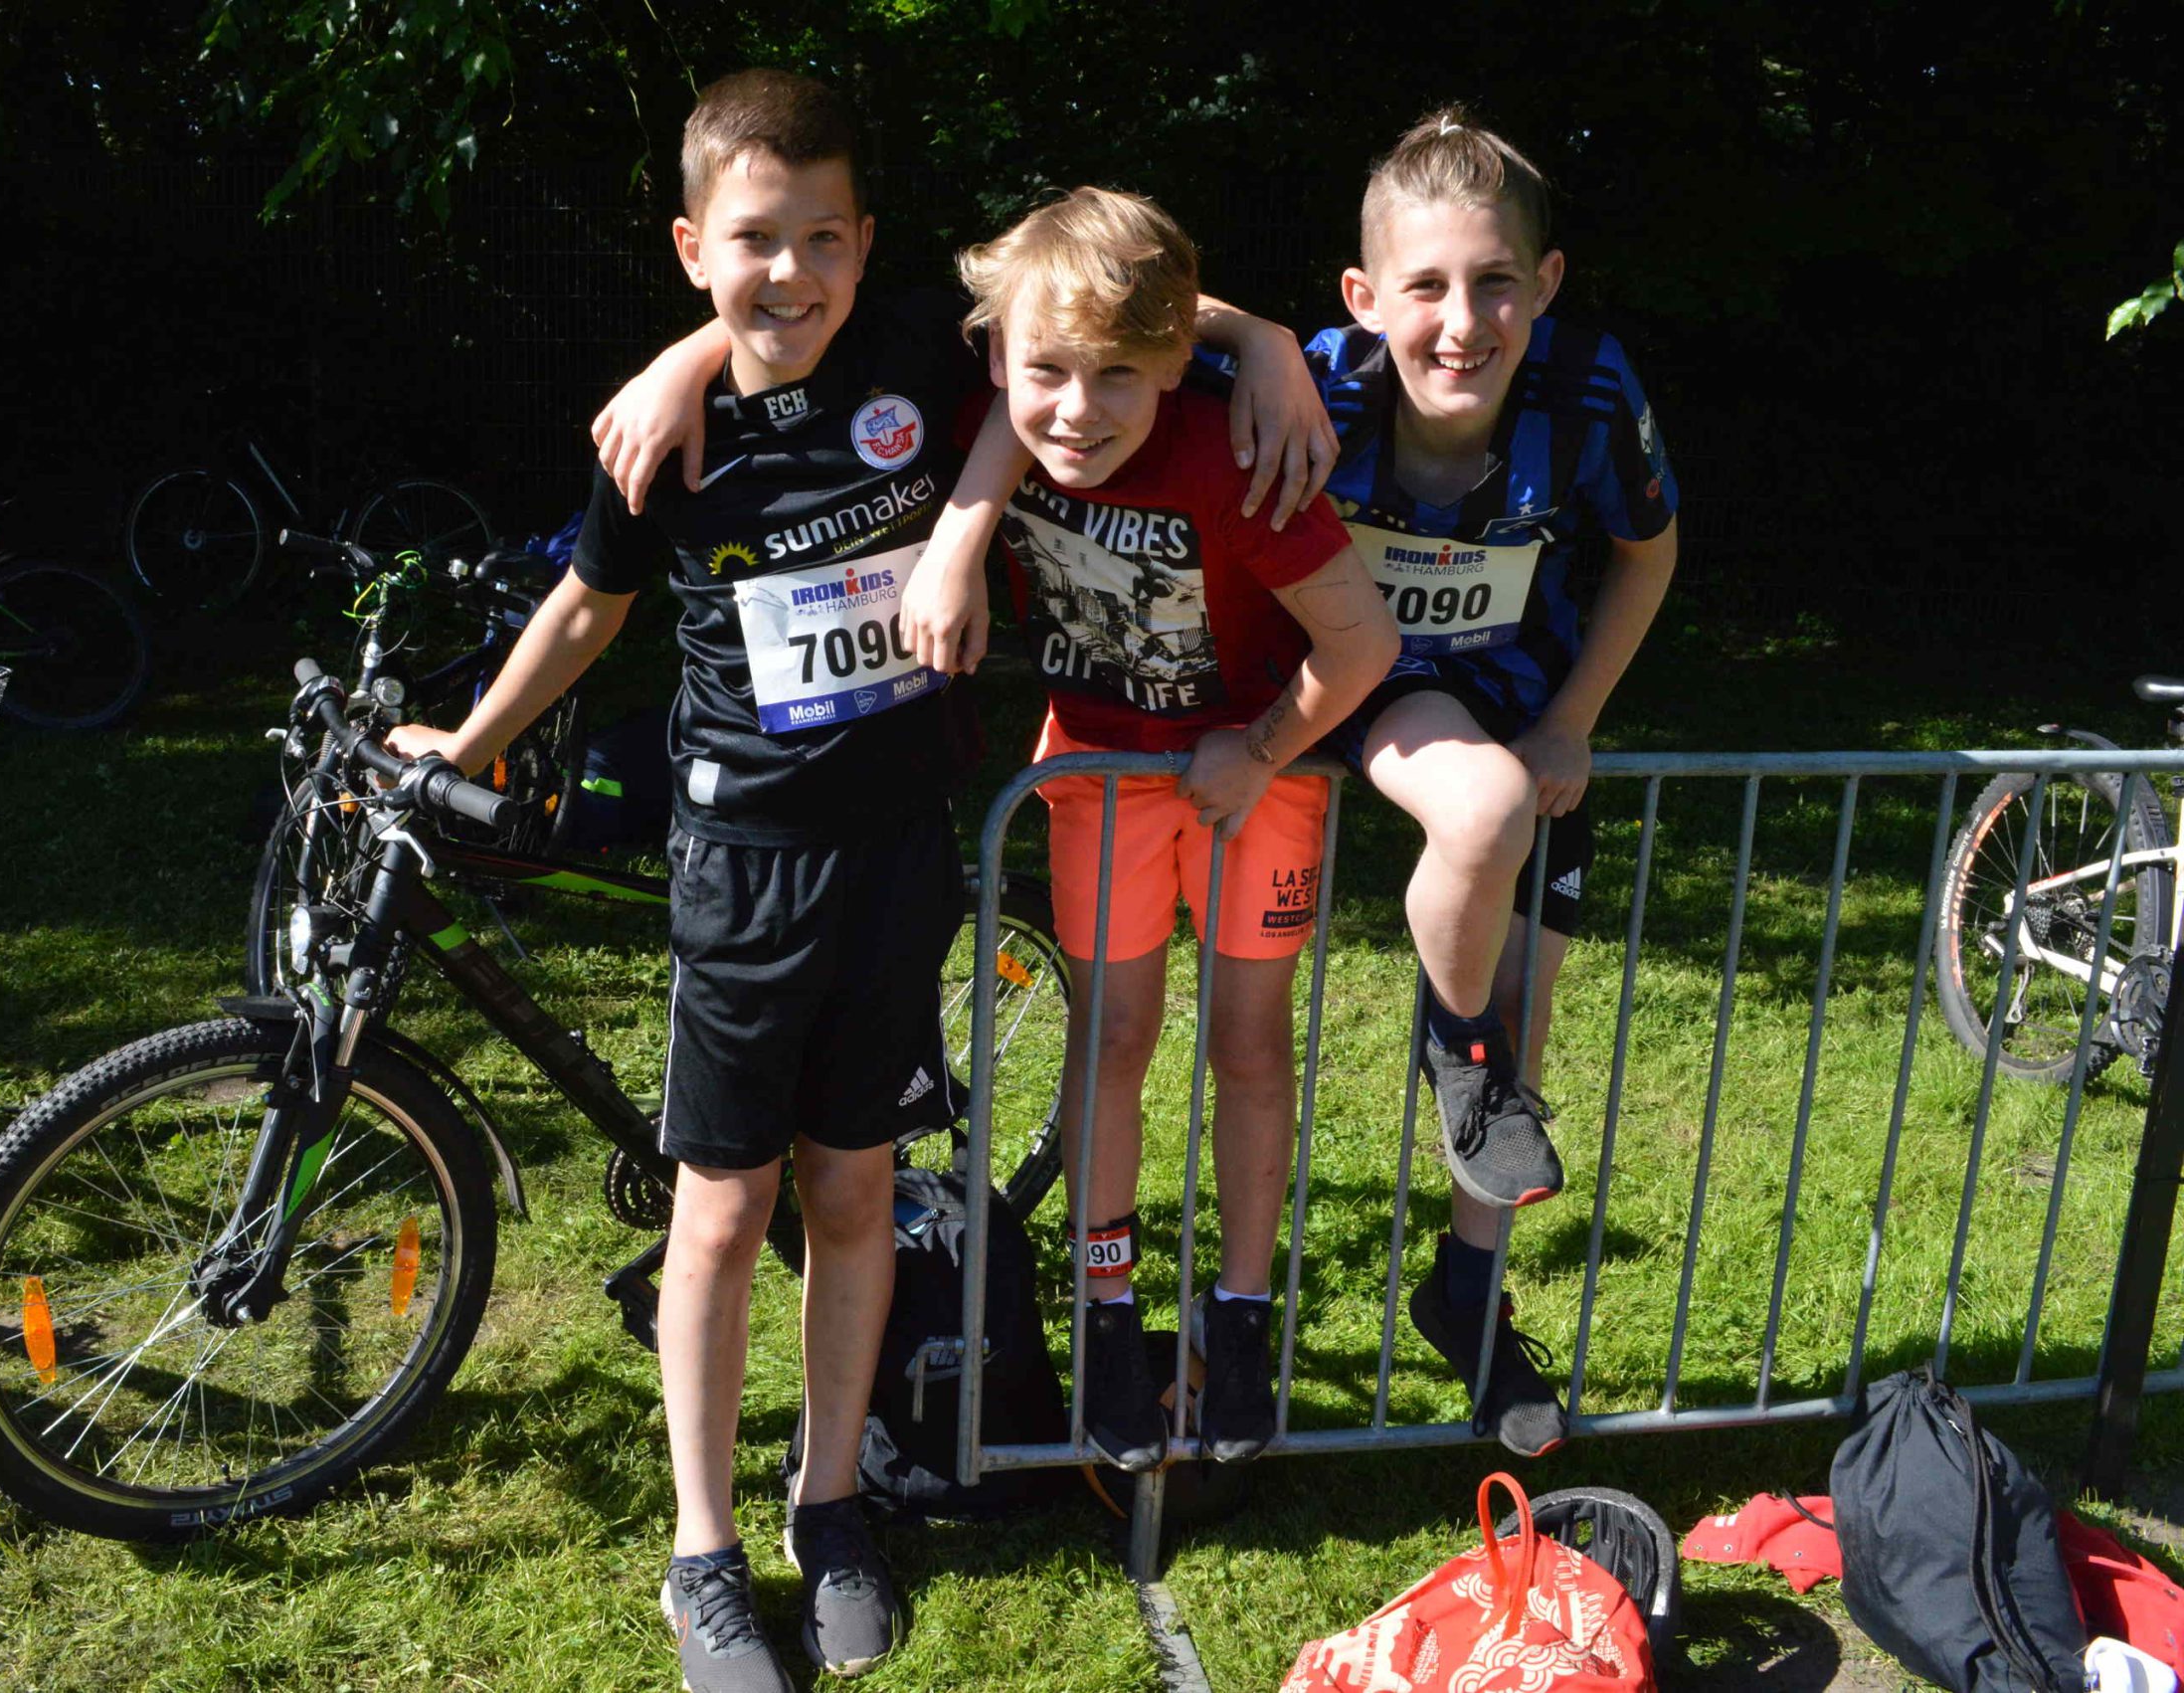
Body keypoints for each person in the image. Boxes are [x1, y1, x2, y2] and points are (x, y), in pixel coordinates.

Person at [397, 70, 1331, 1693]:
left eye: (823, 238)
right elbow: (586, 609)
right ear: (693, 246)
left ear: (868, 241)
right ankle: (703, 1553)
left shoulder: (915, 349)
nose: (791, 272)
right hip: (744, 867)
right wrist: (470, 742)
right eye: (755, 241)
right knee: (722, 1208)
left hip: (902, 852)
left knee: (854, 1191)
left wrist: (1268, 352)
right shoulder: (665, 433)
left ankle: (830, 1501)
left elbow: (1098, 313)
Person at [898, 187, 1398, 1474]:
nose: (1077, 408)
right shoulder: (998, 421)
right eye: (1048, 372)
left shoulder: (1233, 455)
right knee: (1110, 1038)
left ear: (1174, 362)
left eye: (1118, 374)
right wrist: (958, 536)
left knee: (1248, 1042)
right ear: (1000, 361)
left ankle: (1241, 1314)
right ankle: (1107, 1312)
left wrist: (1262, 748)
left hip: (1256, 777)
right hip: (1100, 774)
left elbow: (1363, 645)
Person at [1308, 107, 1680, 1458]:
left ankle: (1467, 1295)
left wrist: (1575, 720)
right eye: (1426, 286)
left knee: (1526, 1014)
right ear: (1363, 299)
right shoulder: (1311, 383)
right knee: (1483, 830)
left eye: (1497, 282)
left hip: (1528, 697)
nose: (1463, 323)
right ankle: (1454, 1052)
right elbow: (1133, 314)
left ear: (1549, 282)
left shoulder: (1590, 390)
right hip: (1369, 685)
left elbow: (1648, 550)